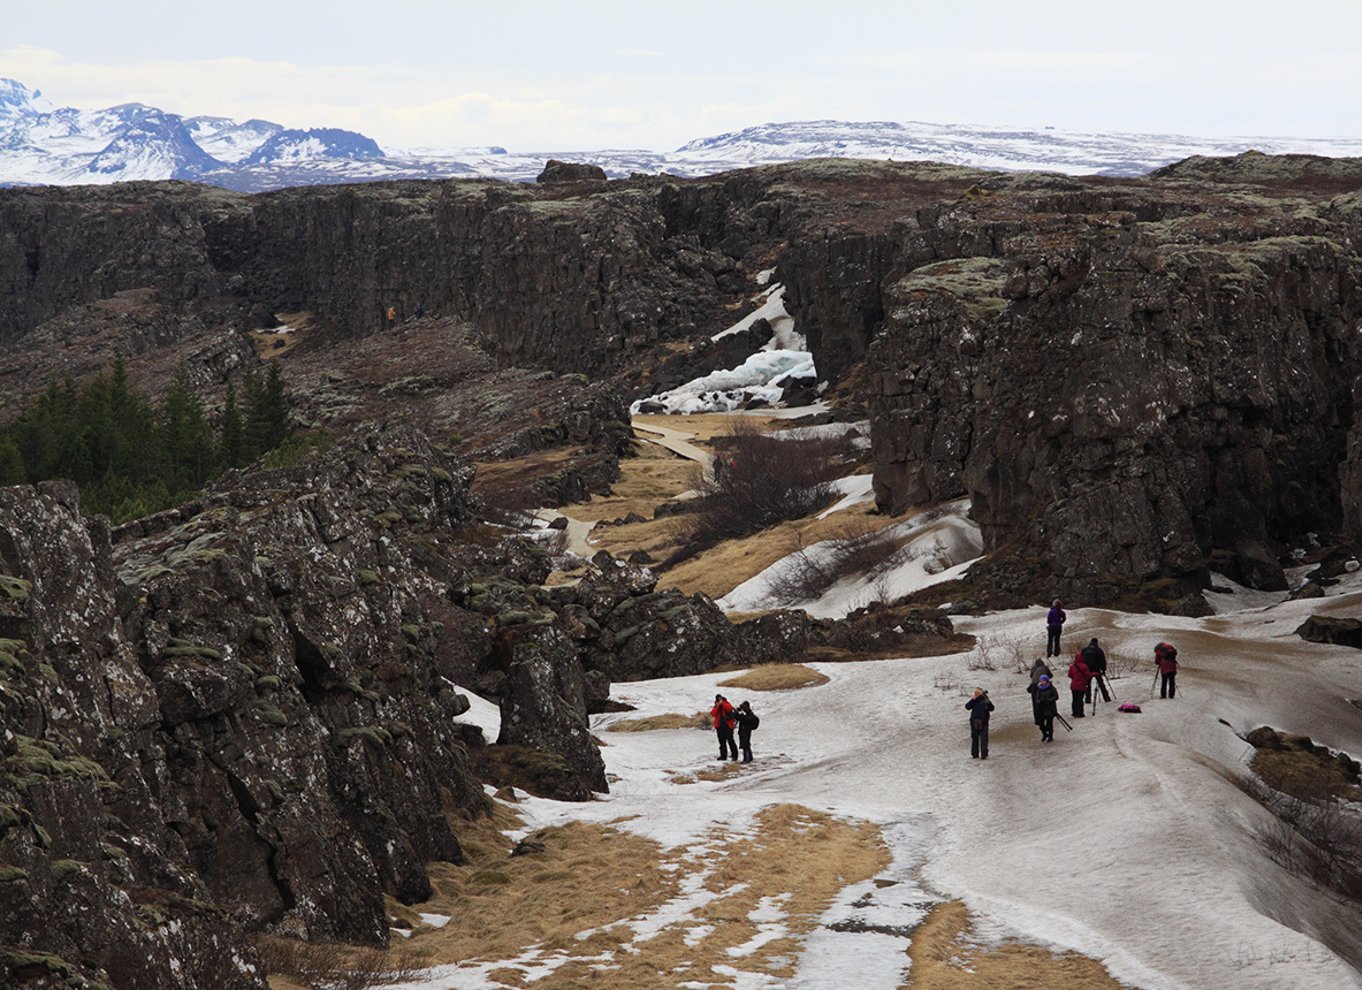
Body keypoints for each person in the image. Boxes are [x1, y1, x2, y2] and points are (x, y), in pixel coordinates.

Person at [1028, 674, 1059, 742]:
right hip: (1041, 709)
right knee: (1041, 724)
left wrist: (1049, 700)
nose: (1042, 682)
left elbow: (1056, 697)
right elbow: (1037, 698)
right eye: (1041, 680)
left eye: (1044, 680)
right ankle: (1045, 734)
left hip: (1050, 708)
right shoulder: (1039, 688)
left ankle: (1050, 736)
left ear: (1047, 681)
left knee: (1049, 724)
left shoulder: (1051, 688)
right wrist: (1040, 701)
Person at [965, 688, 994, 759]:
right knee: (975, 738)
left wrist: (987, 701)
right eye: (975, 693)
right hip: (974, 722)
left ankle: (983, 754)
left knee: (983, 739)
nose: (975, 694)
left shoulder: (985, 700)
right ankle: (975, 754)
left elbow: (991, 708)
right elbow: (967, 707)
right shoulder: (974, 700)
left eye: (977, 693)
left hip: (983, 722)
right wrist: (973, 699)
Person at [1081, 637, 1110, 703]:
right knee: (1101, 684)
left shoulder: (1084, 650)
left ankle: (1087, 699)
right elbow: (1102, 661)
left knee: (1087, 684)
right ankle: (1106, 698)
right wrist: (1103, 670)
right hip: (1096, 670)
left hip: (1087, 670)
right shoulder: (1099, 650)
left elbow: (1081, 660)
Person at [711, 694, 738, 760]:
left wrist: (722, 703)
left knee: (730, 741)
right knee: (722, 742)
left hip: (728, 726)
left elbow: (728, 709)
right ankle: (723, 756)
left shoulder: (726, 703)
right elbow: (713, 713)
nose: (718, 700)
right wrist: (717, 706)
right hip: (720, 726)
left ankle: (734, 755)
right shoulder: (716, 705)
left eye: (719, 699)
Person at [1067, 651, 1093, 718]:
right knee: (1080, 699)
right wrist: (1095, 674)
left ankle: (1074, 712)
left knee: (1074, 699)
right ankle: (1080, 713)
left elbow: (1069, 675)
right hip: (1081, 685)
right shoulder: (1084, 666)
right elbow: (1088, 675)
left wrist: (1075, 678)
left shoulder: (1072, 666)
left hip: (1074, 685)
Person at [1028, 657, 1052, 725]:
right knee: (1043, 701)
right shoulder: (1045, 667)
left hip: (1033, 686)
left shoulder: (1033, 668)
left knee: (1035, 703)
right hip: (1041, 685)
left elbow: (1031, 676)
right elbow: (1050, 676)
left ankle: (1037, 720)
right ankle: (1046, 715)